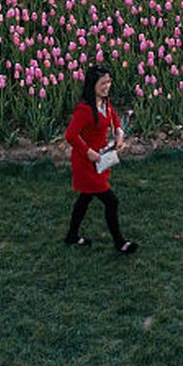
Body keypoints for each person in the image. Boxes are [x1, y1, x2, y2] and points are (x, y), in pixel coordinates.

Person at [62, 65, 135, 253]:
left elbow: (114, 119)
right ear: (92, 84)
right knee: (111, 201)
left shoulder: (104, 103)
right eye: (103, 83)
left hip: (99, 160)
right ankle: (120, 243)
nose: (107, 86)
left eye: (109, 82)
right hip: (87, 163)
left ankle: (71, 235)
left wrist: (119, 134)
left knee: (85, 198)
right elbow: (70, 135)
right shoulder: (85, 109)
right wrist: (87, 152)